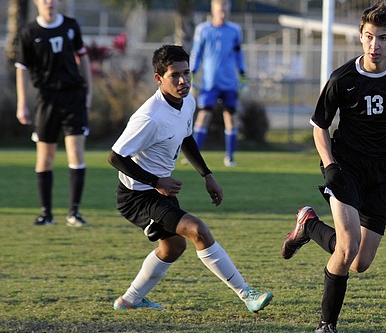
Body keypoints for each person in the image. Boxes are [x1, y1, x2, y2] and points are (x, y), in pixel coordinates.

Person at [280, 0, 386, 333]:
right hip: (346, 168)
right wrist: (330, 165)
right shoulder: (342, 78)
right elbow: (320, 126)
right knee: (347, 248)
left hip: (384, 170)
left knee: (359, 262)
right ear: (360, 36)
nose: (376, 45)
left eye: (384, 38)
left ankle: (308, 225)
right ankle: (326, 326)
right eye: (370, 37)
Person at [108, 45, 272, 313]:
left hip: (157, 191)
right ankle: (247, 294)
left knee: (173, 247)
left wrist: (207, 175)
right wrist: (156, 182)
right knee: (197, 230)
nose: (183, 81)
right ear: (159, 79)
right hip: (137, 196)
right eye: (175, 75)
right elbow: (115, 157)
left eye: (187, 73)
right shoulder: (149, 116)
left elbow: (186, 138)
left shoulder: (188, 101)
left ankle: (129, 300)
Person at [15, 0, 93, 227]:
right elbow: (21, 69)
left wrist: (88, 91)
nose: (50, 2)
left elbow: (84, 59)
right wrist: (22, 103)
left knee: (76, 153)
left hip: (73, 97)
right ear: (37, 1)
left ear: (59, 0)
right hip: (46, 99)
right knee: (45, 157)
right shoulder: (29, 32)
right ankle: (46, 214)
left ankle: (74, 212)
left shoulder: (70, 26)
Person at [190, 0, 247, 167]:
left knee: (230, 117)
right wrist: (191, 74)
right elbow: (196, 53)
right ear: (213, 11)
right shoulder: (203, 30)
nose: (223, 15)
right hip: (210, 83)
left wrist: (243, 75)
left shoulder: (235, 30)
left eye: (226, 11)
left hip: (229, 83)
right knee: (204, 115)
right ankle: (193, 155)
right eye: (220, 11)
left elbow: (239, 54)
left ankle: (230, 157)